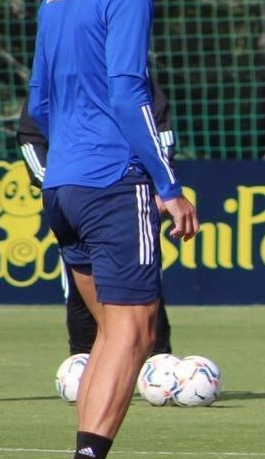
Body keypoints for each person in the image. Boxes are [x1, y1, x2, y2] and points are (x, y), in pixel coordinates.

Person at [29, 0, 197, 459]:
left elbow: (39, 102)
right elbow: (130, 91)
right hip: (111, 180)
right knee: (137, 328)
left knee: (110, 332)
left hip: (62, 183)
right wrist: (168, 185)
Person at [17, 82, 177, 358]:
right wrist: (53, 180)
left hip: (128, 193)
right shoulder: (58, 73)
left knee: (142, 285)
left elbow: (160, 129)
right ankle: (82, 359)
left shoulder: (131, 71)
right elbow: (31, 135)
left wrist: (162, 182)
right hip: (75, 194)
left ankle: (157, 364)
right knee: (83, 287)